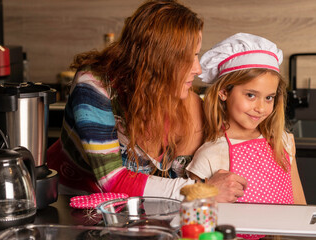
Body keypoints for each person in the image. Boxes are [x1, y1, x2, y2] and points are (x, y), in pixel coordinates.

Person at [46, 0, 247, 202]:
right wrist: (203, 190)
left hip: (131, 209)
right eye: (189, 57)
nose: (198, 69)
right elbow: (112, 180)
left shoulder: (177, 96)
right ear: (159, 59)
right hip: (68, 205)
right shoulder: (93, 87)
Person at [186, 33, 306, 205]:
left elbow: (301, 206)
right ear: (224, 92)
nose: (261, 108)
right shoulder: (208, 156)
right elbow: (196, 216)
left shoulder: (283, 142)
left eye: (269, 98)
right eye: (251, 95)